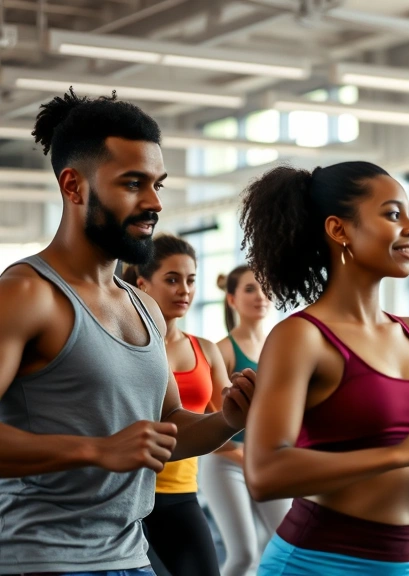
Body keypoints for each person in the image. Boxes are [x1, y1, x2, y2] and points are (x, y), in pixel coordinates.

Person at [0, 89, 252, 575]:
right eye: (133, 183)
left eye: (158, 183)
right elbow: (114, 447)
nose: (154, 202)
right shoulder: (24, 295)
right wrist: (97, 449)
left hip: (130, 556)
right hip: (39, 559)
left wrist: (228, 419)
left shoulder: (144, 307)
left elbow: (167, 431)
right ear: (73, 186)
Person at [236, 162, 409, 576]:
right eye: (392, 214)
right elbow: (264, 474)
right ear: (339, 229)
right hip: (319, 562)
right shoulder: (301, 338)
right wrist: (400, 453)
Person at [124, 235, 229, 576]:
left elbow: (226, 422)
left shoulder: (206, 350)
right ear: (142, 283)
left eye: (190, 280)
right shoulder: (125, 347)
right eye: (172, 279)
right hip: (130, 499)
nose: (184, 289)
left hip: (182, 495)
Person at [198, 265, 291, 576]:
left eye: (264, 289)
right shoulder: (222, 351)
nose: (260, 296)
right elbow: (212, 422)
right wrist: (245, 458)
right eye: (250, 289)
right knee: (243, 555)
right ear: (232, 299)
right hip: (226, 462)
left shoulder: (279, 347)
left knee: (287, 543)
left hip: (265, 458)